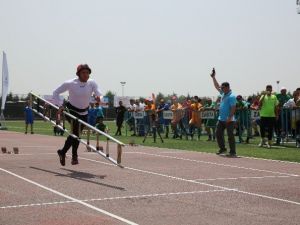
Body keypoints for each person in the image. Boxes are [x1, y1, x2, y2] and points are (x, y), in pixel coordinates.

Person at [53, 64, 103, 166]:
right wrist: (60, 105)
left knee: (76, 135)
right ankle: (74, 156)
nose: (86, 75)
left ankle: (62, 152)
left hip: (84, 112)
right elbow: (55, 92)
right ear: (78, 74)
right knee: (75, 133)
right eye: (83, 73)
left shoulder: (92, 83)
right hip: (71, 110)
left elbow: (99, 93)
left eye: (88, 73)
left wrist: (99, 98)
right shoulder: (71, 83)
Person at [210, 68, 237, 157]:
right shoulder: (223, 93)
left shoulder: (232, 96)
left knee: (230, 136)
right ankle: (223, 148)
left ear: (228, 87)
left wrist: (230, 117)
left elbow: (233, 107)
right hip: (221, 119)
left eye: (223, 88)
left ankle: (232, 151)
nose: (221, 89)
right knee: (218, 134)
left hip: (229, 119)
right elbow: (217, 86)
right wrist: (213, 77)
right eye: (222, 88)